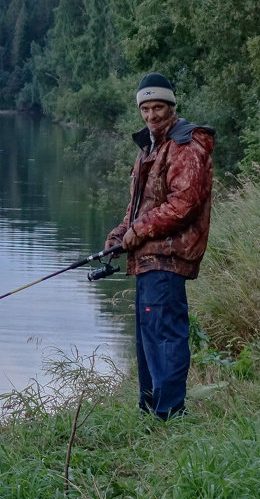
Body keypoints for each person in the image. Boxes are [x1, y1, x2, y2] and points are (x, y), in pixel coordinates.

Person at [106, 72, 215, 420]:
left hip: (167, 255)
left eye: (158, 107)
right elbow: (141, 206)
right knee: (147, 339)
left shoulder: (185, 145)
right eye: (145, 109)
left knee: (165, 337)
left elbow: (185, 203)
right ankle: (150, 411)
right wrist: (119, 235)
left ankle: (170, 414)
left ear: (171, 106)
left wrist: (138, 230)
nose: (151, 115)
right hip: (148, 257)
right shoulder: (150, 147)